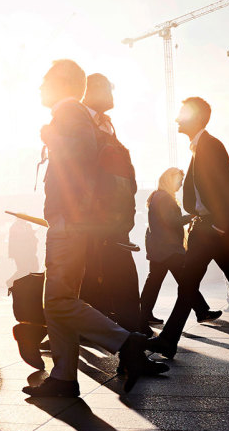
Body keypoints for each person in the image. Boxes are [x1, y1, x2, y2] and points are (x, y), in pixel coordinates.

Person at [21, 59, 165, 398]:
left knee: (56, 301)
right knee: (59, 300)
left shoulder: (68, 112)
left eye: (44, 80)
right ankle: (63, 377)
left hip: (69, 223)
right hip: (74, 222)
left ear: (61, 83)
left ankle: (125, 342)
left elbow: (79, 161)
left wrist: (51, 137)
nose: (39, 87)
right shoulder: (76, 114)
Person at [146, 97, 229, 361]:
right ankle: (169, 341)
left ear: (195, 118)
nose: (176, 119)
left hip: (214, 232)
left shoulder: (210, 146)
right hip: (206, 230)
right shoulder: (199, 147)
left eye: (181, 113)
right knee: (192, 286)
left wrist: (219, 226)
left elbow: (226, 188)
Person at [76, 73, 146, 334]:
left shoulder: (106, 124)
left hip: (113, 219)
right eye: (109, 89)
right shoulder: (81, 120)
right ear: (93, 89)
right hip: (94, 219)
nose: (112, 95)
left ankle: (130, 332)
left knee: (111, 276)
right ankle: (127, 333)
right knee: (95, 277)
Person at [139, 167, 222, 326]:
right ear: (170, 180)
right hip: (168, 248)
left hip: (159, 247)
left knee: (154, 282)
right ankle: (201, 311)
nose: (181, 184)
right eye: (179, 180)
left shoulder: (157, 196)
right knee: (186, 280)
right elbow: (170, 221)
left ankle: (144, 315)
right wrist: (190, 217)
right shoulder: (164, 198)